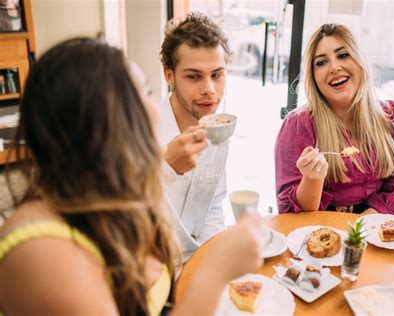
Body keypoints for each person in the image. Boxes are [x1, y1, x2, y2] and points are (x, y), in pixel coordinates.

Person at [0, 38, 262, 315]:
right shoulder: (39, 251)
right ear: (88, 125)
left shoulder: (118, 192)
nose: (154, 109)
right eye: (134, 99)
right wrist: (214, 272)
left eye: (148, 92)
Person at [274, 23, 394, 219]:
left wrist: (360, 229)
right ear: (313, 77)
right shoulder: (299, 125)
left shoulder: (389, 116)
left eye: (343, 55)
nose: (334, 68)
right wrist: (312, 179)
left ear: (359, 61)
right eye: (321, 62)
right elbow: (290, 214)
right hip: (321, 236)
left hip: (376, 229)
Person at [158, 12, 232, 258]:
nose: (209, 90)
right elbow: (121, 219)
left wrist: (215, 256)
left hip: (197, 256)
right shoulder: (141, 133)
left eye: (217, 75)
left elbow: (212, 206)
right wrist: (165, 167)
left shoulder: (218, 129)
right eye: (194, 76)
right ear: (169, 75)